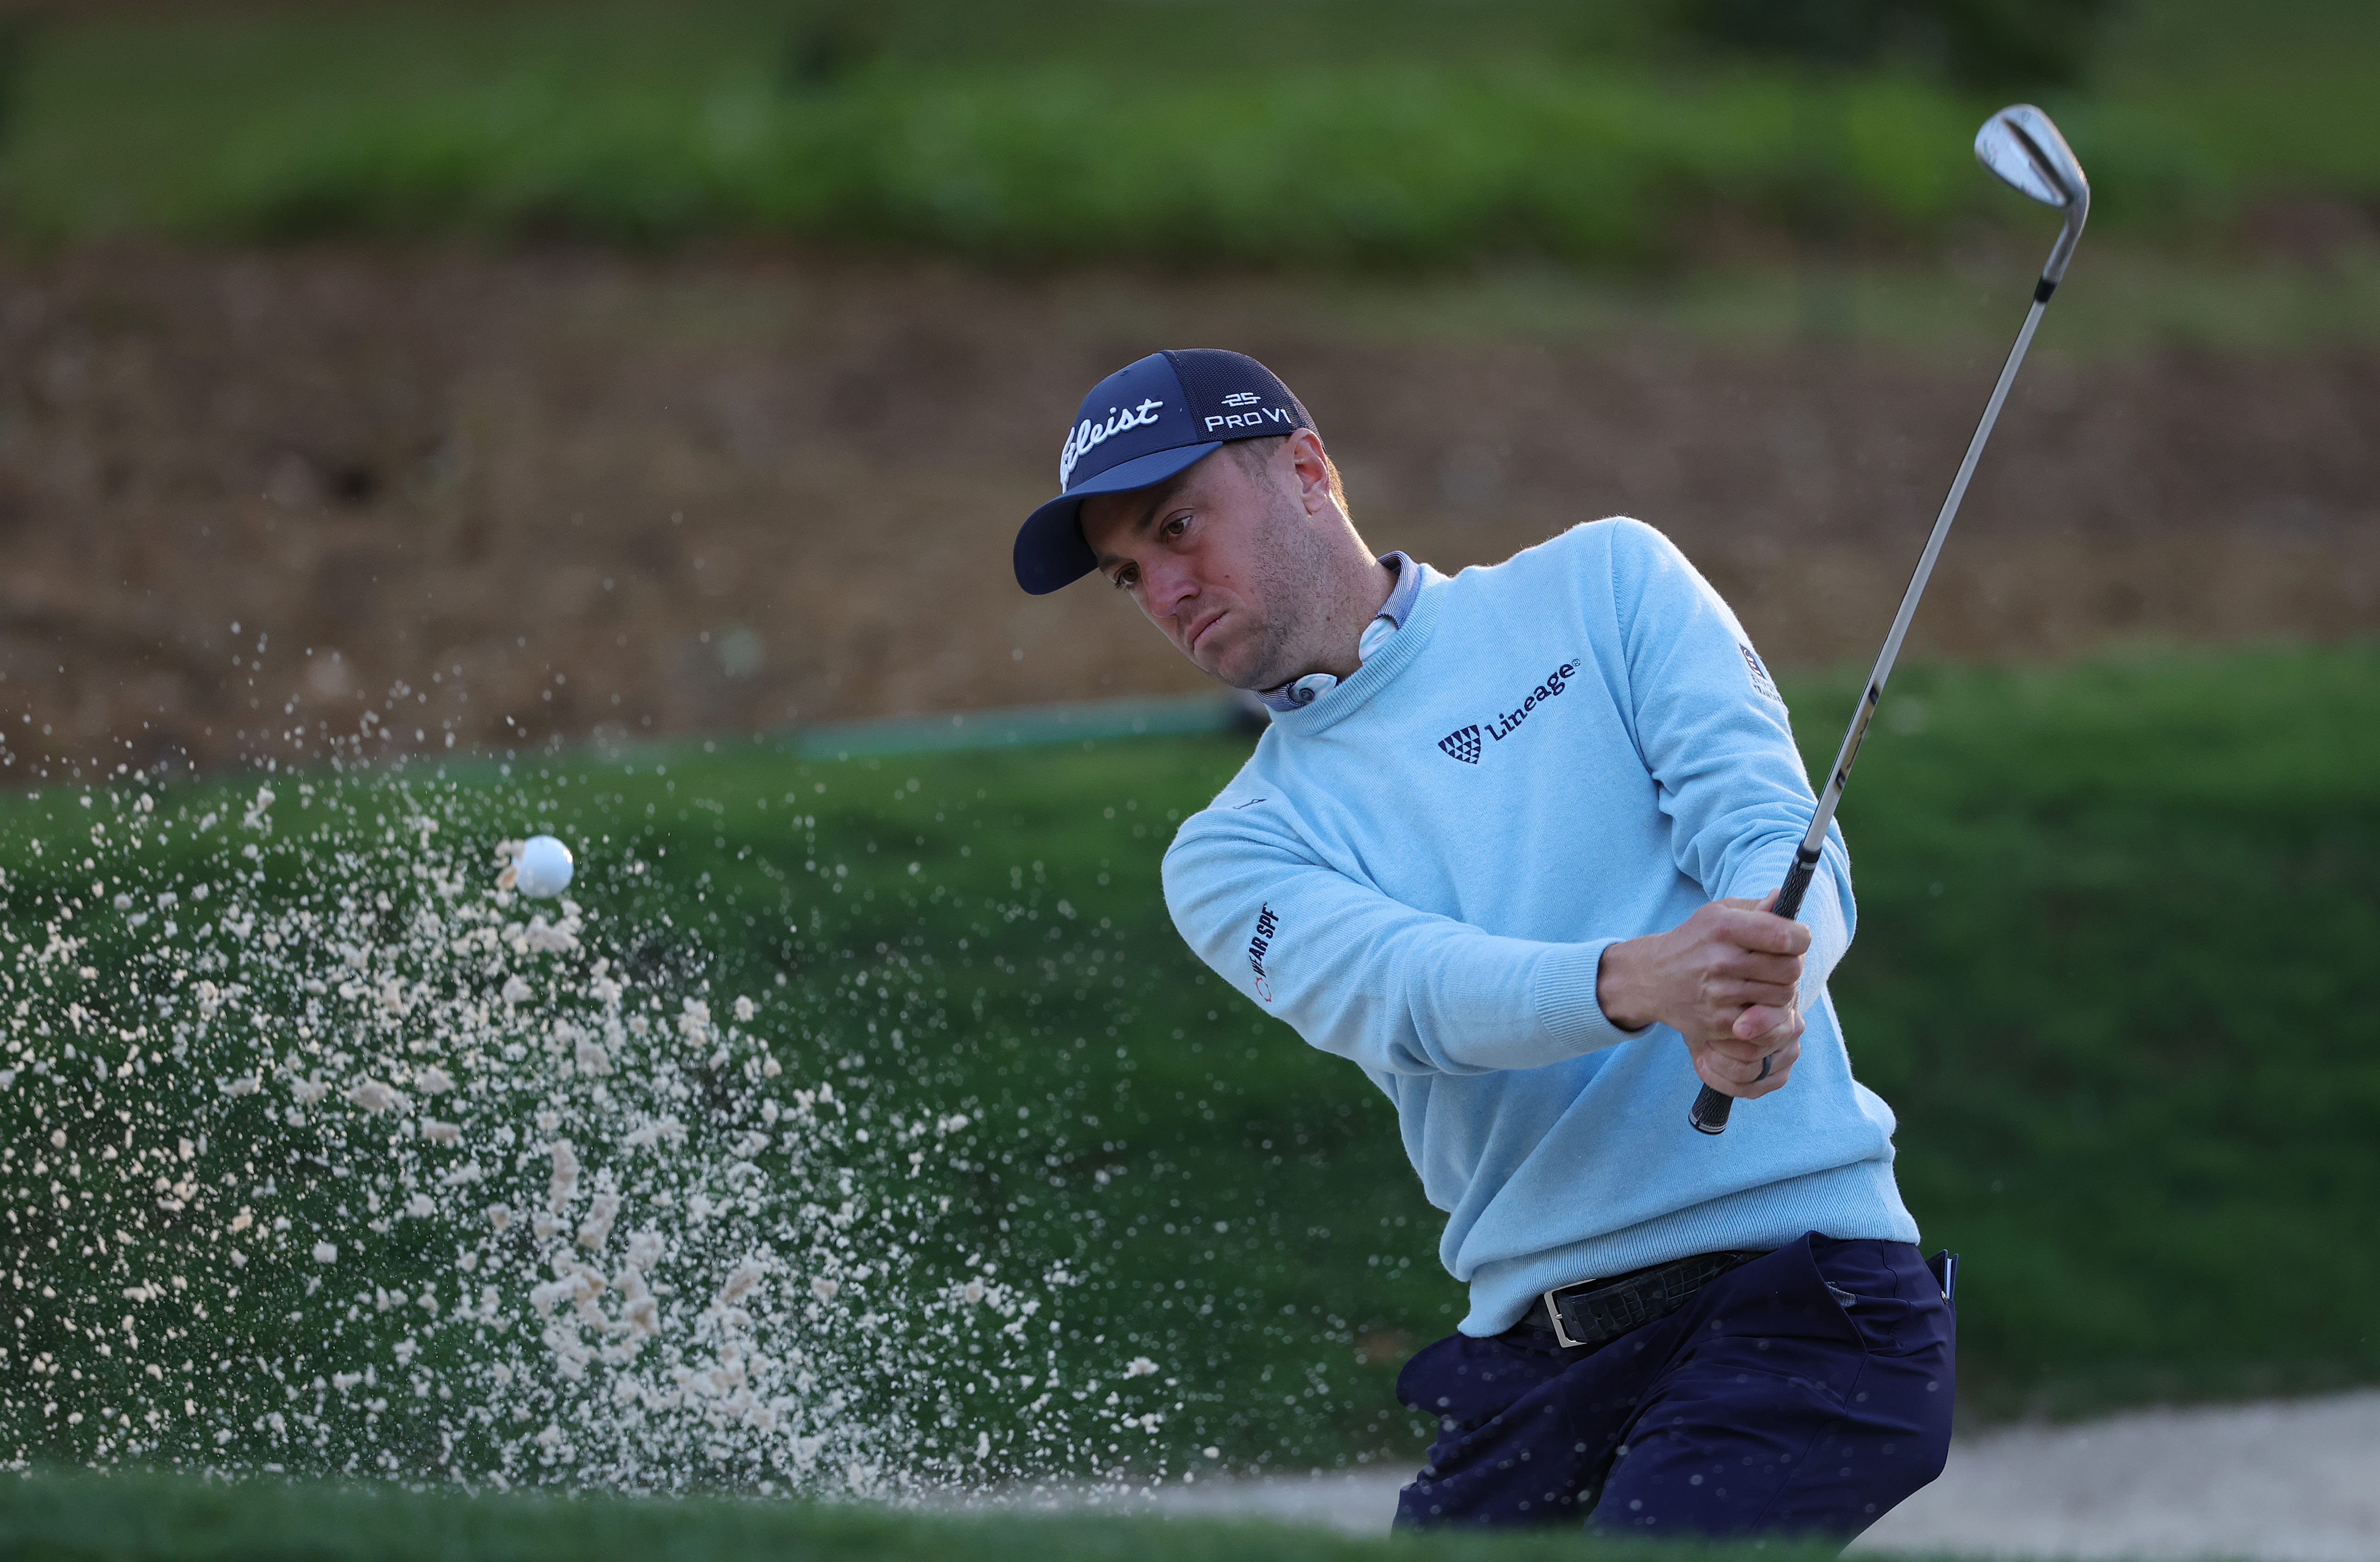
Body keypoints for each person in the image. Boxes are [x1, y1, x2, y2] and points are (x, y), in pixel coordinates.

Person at [1012, 349, 1953, 1540]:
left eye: (1177, 525)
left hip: (1799, 1295)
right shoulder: (1230, 851)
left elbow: (1772, 834)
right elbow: (1411, 998)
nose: (1163, 587)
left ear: (1307, 471)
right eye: (1126, 573)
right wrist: (1644, 981)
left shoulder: (1605, 580)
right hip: (1536, 1362)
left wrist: (1773, 986)